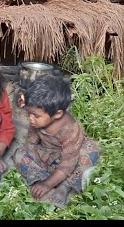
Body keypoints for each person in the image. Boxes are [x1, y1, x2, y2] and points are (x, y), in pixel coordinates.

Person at [13, 75, 100, 207]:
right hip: (49, 157)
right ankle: (41, 178)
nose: (30, 118)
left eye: (36, 115)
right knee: (19, 154)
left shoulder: (69, 128)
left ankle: (64, 187)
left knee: (91, 150)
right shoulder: (36, 121)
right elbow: (30, 145)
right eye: (29, 113)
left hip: (71, 159)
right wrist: (28, 156)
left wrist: (48, 184)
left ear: (57, 114)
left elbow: (68, 164)